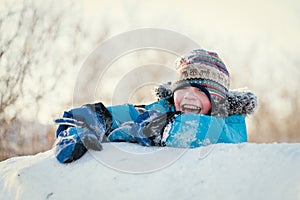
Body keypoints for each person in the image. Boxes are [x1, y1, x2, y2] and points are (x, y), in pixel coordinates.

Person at [54, 49, 257, 163]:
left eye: (200, 92)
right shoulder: (165, 109)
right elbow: (135, 114)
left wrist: (164, 128)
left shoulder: (232, 125)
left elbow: (216, 133)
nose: (189, 97)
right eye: (183, 89)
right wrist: (96, 118)